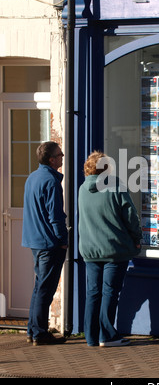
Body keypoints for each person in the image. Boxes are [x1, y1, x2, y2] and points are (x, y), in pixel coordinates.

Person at [78, 150, 142, 347]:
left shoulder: (82, 189)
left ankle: (91, 337)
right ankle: (107, 336)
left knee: (93, 293)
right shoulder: (115, 186)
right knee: (109, 292)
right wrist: (136, 238)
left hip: (90, 249)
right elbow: (130, 216)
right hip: (114, 248)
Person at [22, 141, 68, 346]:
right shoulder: (50, 181)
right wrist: (62, 240)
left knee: (39, 286)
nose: (62, 157)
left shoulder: (32, 178)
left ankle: (33, 330)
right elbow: (55, 216)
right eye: (60, 154)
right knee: (45, 289)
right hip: (49, 242)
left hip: (35, 240)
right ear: (51, 159)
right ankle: (40, 333)